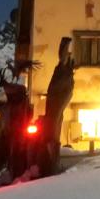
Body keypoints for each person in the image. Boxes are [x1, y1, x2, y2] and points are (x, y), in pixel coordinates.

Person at [38, 37, 76, 175]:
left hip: (58, 99)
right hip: (57, 99)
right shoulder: (62, 72)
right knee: (55, 120)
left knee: (56, 119)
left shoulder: (64, 73)